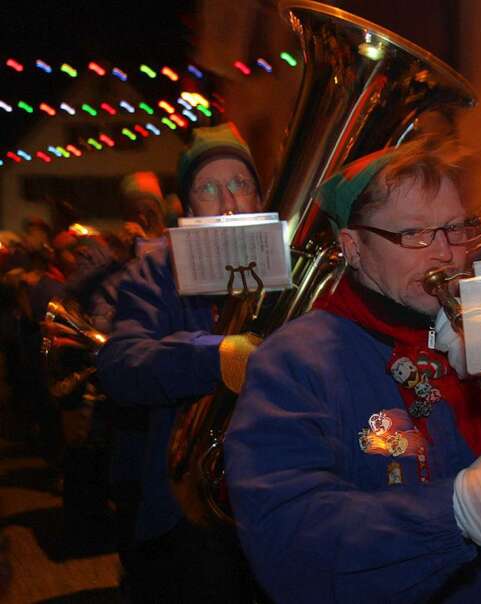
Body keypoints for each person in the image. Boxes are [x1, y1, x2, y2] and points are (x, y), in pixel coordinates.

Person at [225, 138, 481, 602]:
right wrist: (458, 512)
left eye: (455, 229)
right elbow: (288, 540)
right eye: (415, 234)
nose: (444, 254)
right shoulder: (293, 362)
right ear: (353, 247)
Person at [96, 123, 264, 602]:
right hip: (186, 507)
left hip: (270, 496)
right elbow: (121, 364)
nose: (229, 200)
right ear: (189, 209)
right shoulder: (156, 268)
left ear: (258, 195)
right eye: (208, 189)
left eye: (240, 183)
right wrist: (217, 354)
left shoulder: (290, 265)